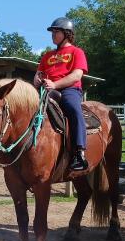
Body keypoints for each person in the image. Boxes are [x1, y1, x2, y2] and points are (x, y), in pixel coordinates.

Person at [33, 17, 89, 171]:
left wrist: (55, 84)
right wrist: (37, 80)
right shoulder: (47, 55)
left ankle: (79, 152)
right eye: (52, 32)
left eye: (56, 31)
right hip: (47, 90)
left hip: (69, 90)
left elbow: (77, 75)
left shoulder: (77, 52)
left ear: (67, 33)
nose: (53, 34)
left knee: (73, 108)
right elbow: (39, 73)